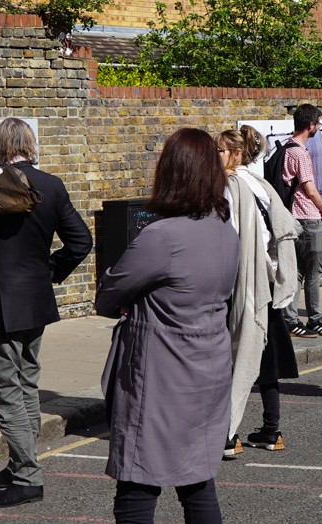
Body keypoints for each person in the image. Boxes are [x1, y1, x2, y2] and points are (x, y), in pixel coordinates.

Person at [96, 128, 239, 524]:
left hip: (160, 372)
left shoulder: (162, 236)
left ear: (171, 172)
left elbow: (108, 296)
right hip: (208, 366)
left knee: (137, 486)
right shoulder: (226, 232)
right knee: (197, 483)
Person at [0, 117, 93, 508]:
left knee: (5, 391)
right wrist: (49, 271)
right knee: (27, 383)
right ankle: (20, 465)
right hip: (36, 299)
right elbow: (81, 241)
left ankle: (28, 477)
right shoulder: (51, 185)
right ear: (29, 145)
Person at [217, 127, 300, 458]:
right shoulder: (260, 184)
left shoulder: (231, 186)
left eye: (220, 151)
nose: (215, 156)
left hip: (240, 278)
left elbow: (230, 234)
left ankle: (227, 434)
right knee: (265, 352)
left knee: (233, 353)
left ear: (236, 154)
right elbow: (278, 232)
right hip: (265, 277)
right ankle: (271, 429)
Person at [282, 104, 322, 338]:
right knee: (314, 271)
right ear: (311, 125)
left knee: (296, 271)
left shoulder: (286, 146)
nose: (318, 127)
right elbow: (310, 189)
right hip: (307, 218)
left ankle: (290, 318)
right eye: (318, 123)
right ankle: (315, 319)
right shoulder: (300, 153)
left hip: (293, 217)